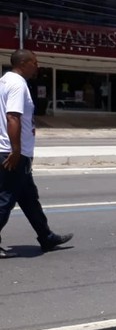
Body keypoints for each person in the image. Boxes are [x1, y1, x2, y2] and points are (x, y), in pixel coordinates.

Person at [0, 49, 73, 257]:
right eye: (34, 62)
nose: (37, 66)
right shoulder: (17, 84)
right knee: (5, 199)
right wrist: (16, 151)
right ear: (23, 63)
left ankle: (46, 237)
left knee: (29, 198)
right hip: (13, 152)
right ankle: (46, 237)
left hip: (12, 150)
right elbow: (12, 117)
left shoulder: (4, 81)